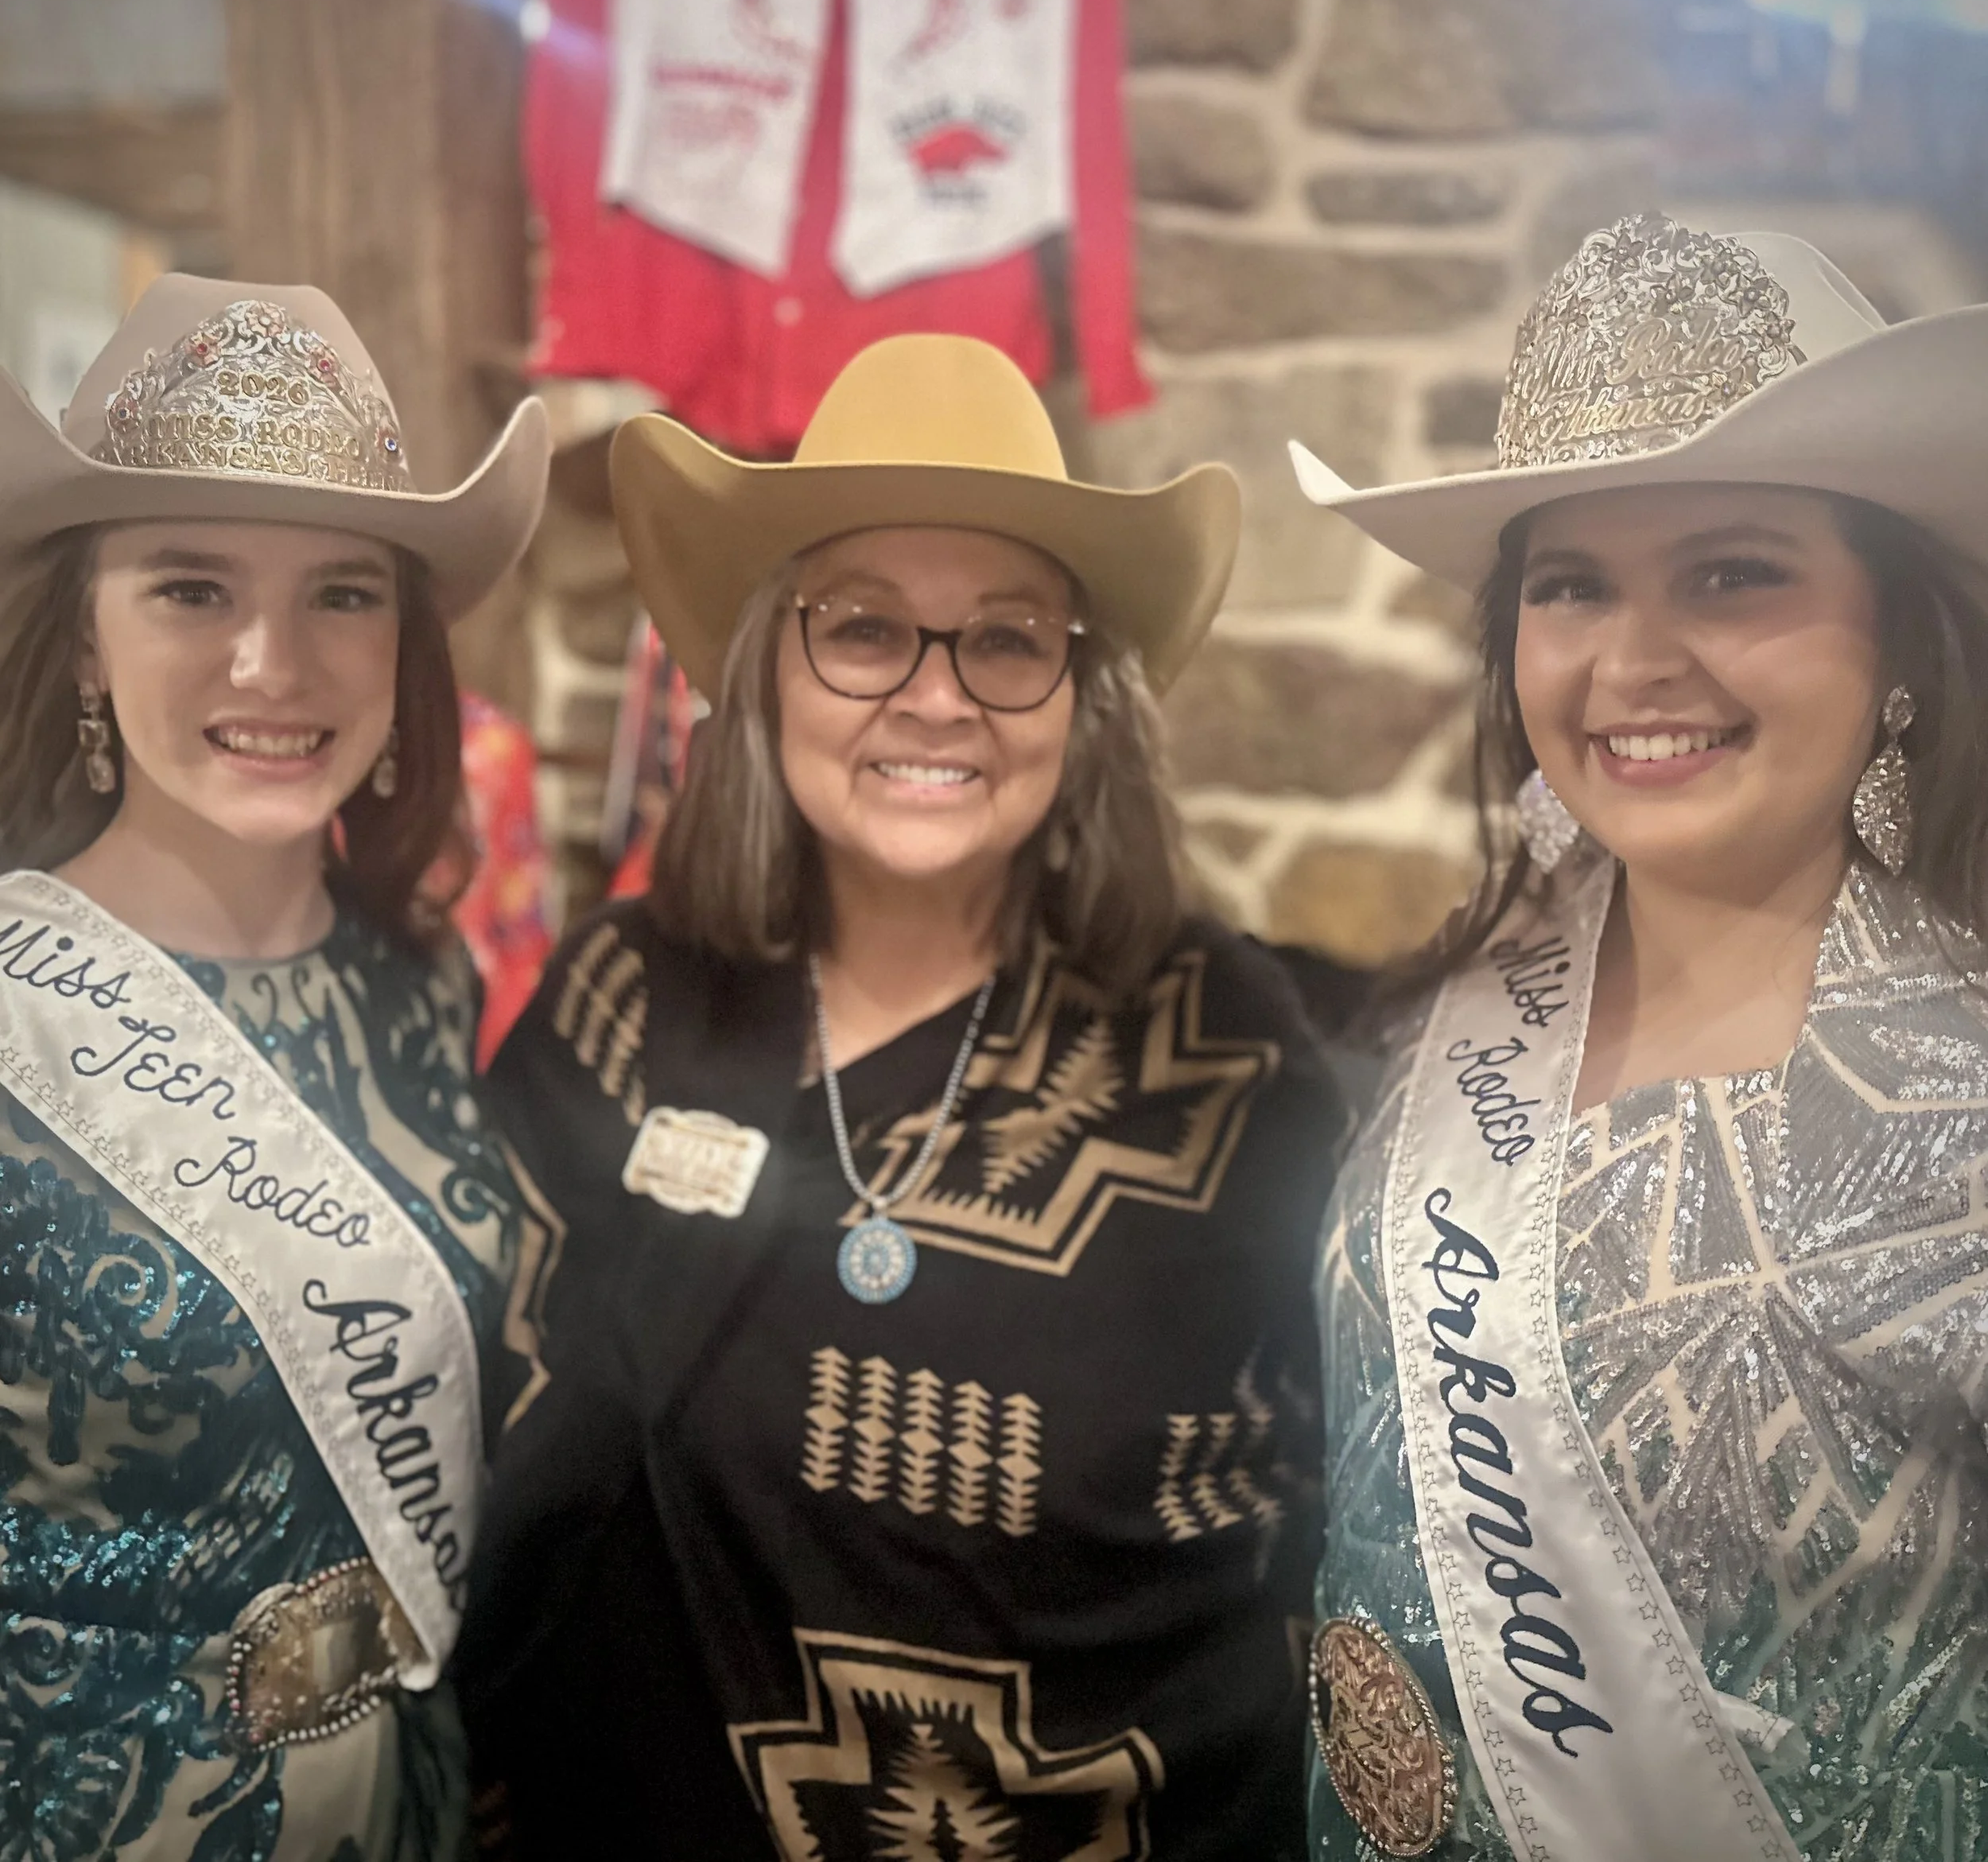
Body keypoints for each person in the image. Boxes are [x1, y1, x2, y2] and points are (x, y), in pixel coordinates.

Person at [459, 334, 1342, 1860]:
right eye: (863, 629)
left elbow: (1316, 1549)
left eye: (1006, 639)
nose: (937, 699)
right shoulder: (623, 1001)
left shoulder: (1220, 1052)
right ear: (765, 667)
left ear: (1082, 696)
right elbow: (475, 1443)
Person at [1286, 212, 1988, 1860]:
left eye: (1730, 573)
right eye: (1570, 584)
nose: (1631, 659)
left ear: (1888, 633)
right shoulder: (1457, 1022)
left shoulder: (1959, 1103)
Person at [0, 277, 554, 1859]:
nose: (271, 660)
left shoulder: (420, 982)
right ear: (87, 645)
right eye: (189, 588)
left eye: (342, 593)